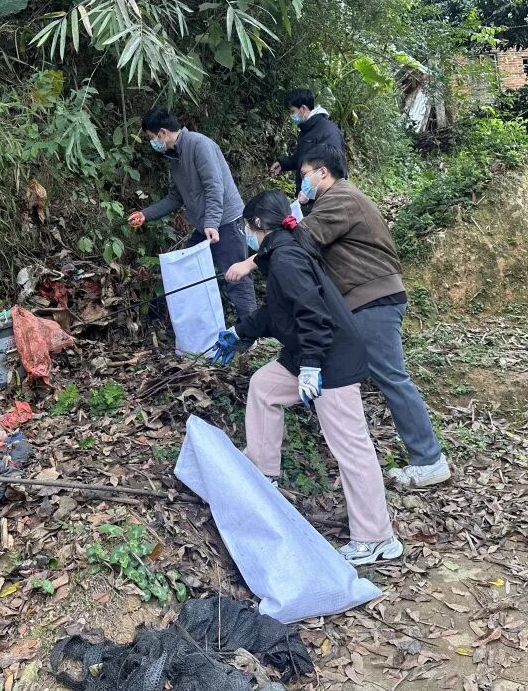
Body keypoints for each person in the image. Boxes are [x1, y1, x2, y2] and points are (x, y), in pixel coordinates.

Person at [228, 143, 450, 490]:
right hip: (361, 299)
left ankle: (429, 459)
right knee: (302, 375)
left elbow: (299, 239)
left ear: (323, 172)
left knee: (391, 377)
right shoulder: (331, 200)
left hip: (371, 299)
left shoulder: (341, 197)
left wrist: (249, 262)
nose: (302, 182)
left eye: (304, 175)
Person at [213, 190, 403, 566]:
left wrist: (312, 366)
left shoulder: (286, 258)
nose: (245, 234)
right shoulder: (279, 251)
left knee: (350, 447)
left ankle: (377, 538)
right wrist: (239, 332)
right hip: (308, 354)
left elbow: (312, 313)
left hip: (332, 359)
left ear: (257, 225)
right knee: (264, 387)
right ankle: (263, 473)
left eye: (245, 227)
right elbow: (278, 311)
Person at [129, 107, 257, 319]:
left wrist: (212, 223)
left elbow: (214, 187)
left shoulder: (199, 145)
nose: (152, 142)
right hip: (205, 225)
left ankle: (250, 330)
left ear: (162, 133)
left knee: (236, 279)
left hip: (226, 222)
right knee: (187, 271)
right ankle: (199, 325)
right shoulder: (174, 156)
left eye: (151, 137)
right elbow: (175, 197)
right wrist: (145, 214)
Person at [270, 88, 346, 213]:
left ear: (303, 108)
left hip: (321, 202)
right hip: (307, 199)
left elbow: (336, 167)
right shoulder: (307, 130)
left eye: (292, 111)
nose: (291, 116)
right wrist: (283, 164)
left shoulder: (328, 131)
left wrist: (313, 195)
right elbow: (303, 158)